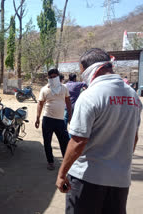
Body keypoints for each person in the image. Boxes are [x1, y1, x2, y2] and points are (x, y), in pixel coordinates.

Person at [56, 48, 142, 214]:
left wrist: (62, 173)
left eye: (83, 73)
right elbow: (134, 138)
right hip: (120, 180)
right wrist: (120, 163)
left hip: (88, 180)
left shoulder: (90, 96)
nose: (83, 77)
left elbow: (78, 141)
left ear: (92, 69)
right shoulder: (133, 96)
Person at [35, 69, 72, 170]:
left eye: (54, 76)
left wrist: (70, 116)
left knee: (64, 142)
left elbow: (68, 102)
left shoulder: (64, 88)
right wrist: (37, 118)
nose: (52, 79)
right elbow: (40, 104)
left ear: (58, 77)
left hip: (60, 121)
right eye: (50, 77)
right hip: (48, 120)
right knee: (47, 142)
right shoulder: (44, 89)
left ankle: (65, 163)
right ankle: (50, 162)